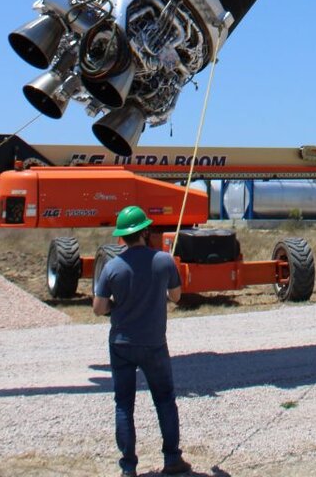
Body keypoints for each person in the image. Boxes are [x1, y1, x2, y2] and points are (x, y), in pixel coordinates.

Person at [93, 204, 191, 477]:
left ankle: (128, 467)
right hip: (154, 343)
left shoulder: (113, 267)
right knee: (164, 400)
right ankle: (172, 460)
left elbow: (99, 308)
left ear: (122, 236)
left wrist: (117, 306)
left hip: (121, 343)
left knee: (124, 404)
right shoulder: (163, 260)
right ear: (146, 232)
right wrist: (166, 276)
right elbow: (176, 297)